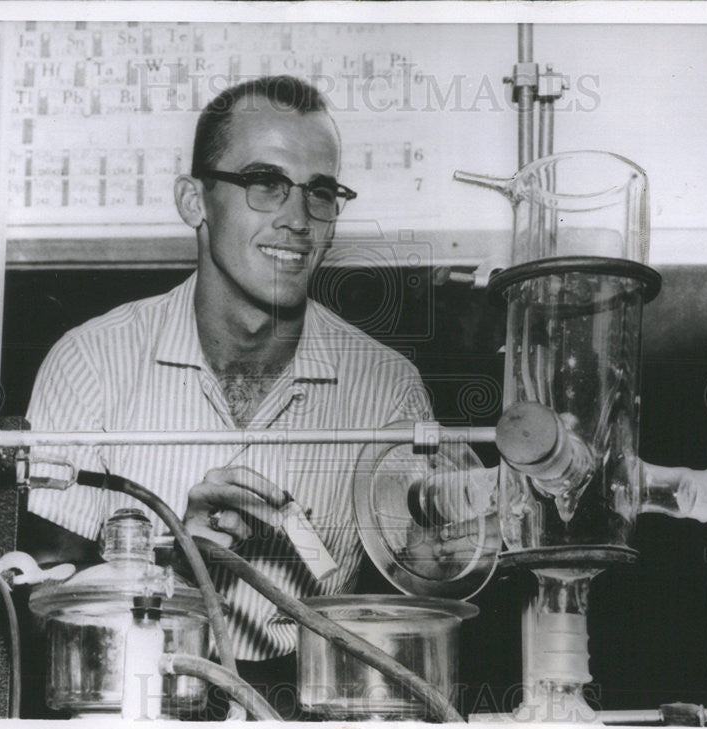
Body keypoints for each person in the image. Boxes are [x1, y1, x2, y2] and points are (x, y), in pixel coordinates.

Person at [24, 75, 434, 690]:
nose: (298, 219)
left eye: (319, 192)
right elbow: (35, 610)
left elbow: (413, 617)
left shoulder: (388, 389)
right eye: (265, 184)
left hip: (307, 727)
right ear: (194, 201)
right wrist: (171, 565)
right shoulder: (90, 362)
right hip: (138, 712)